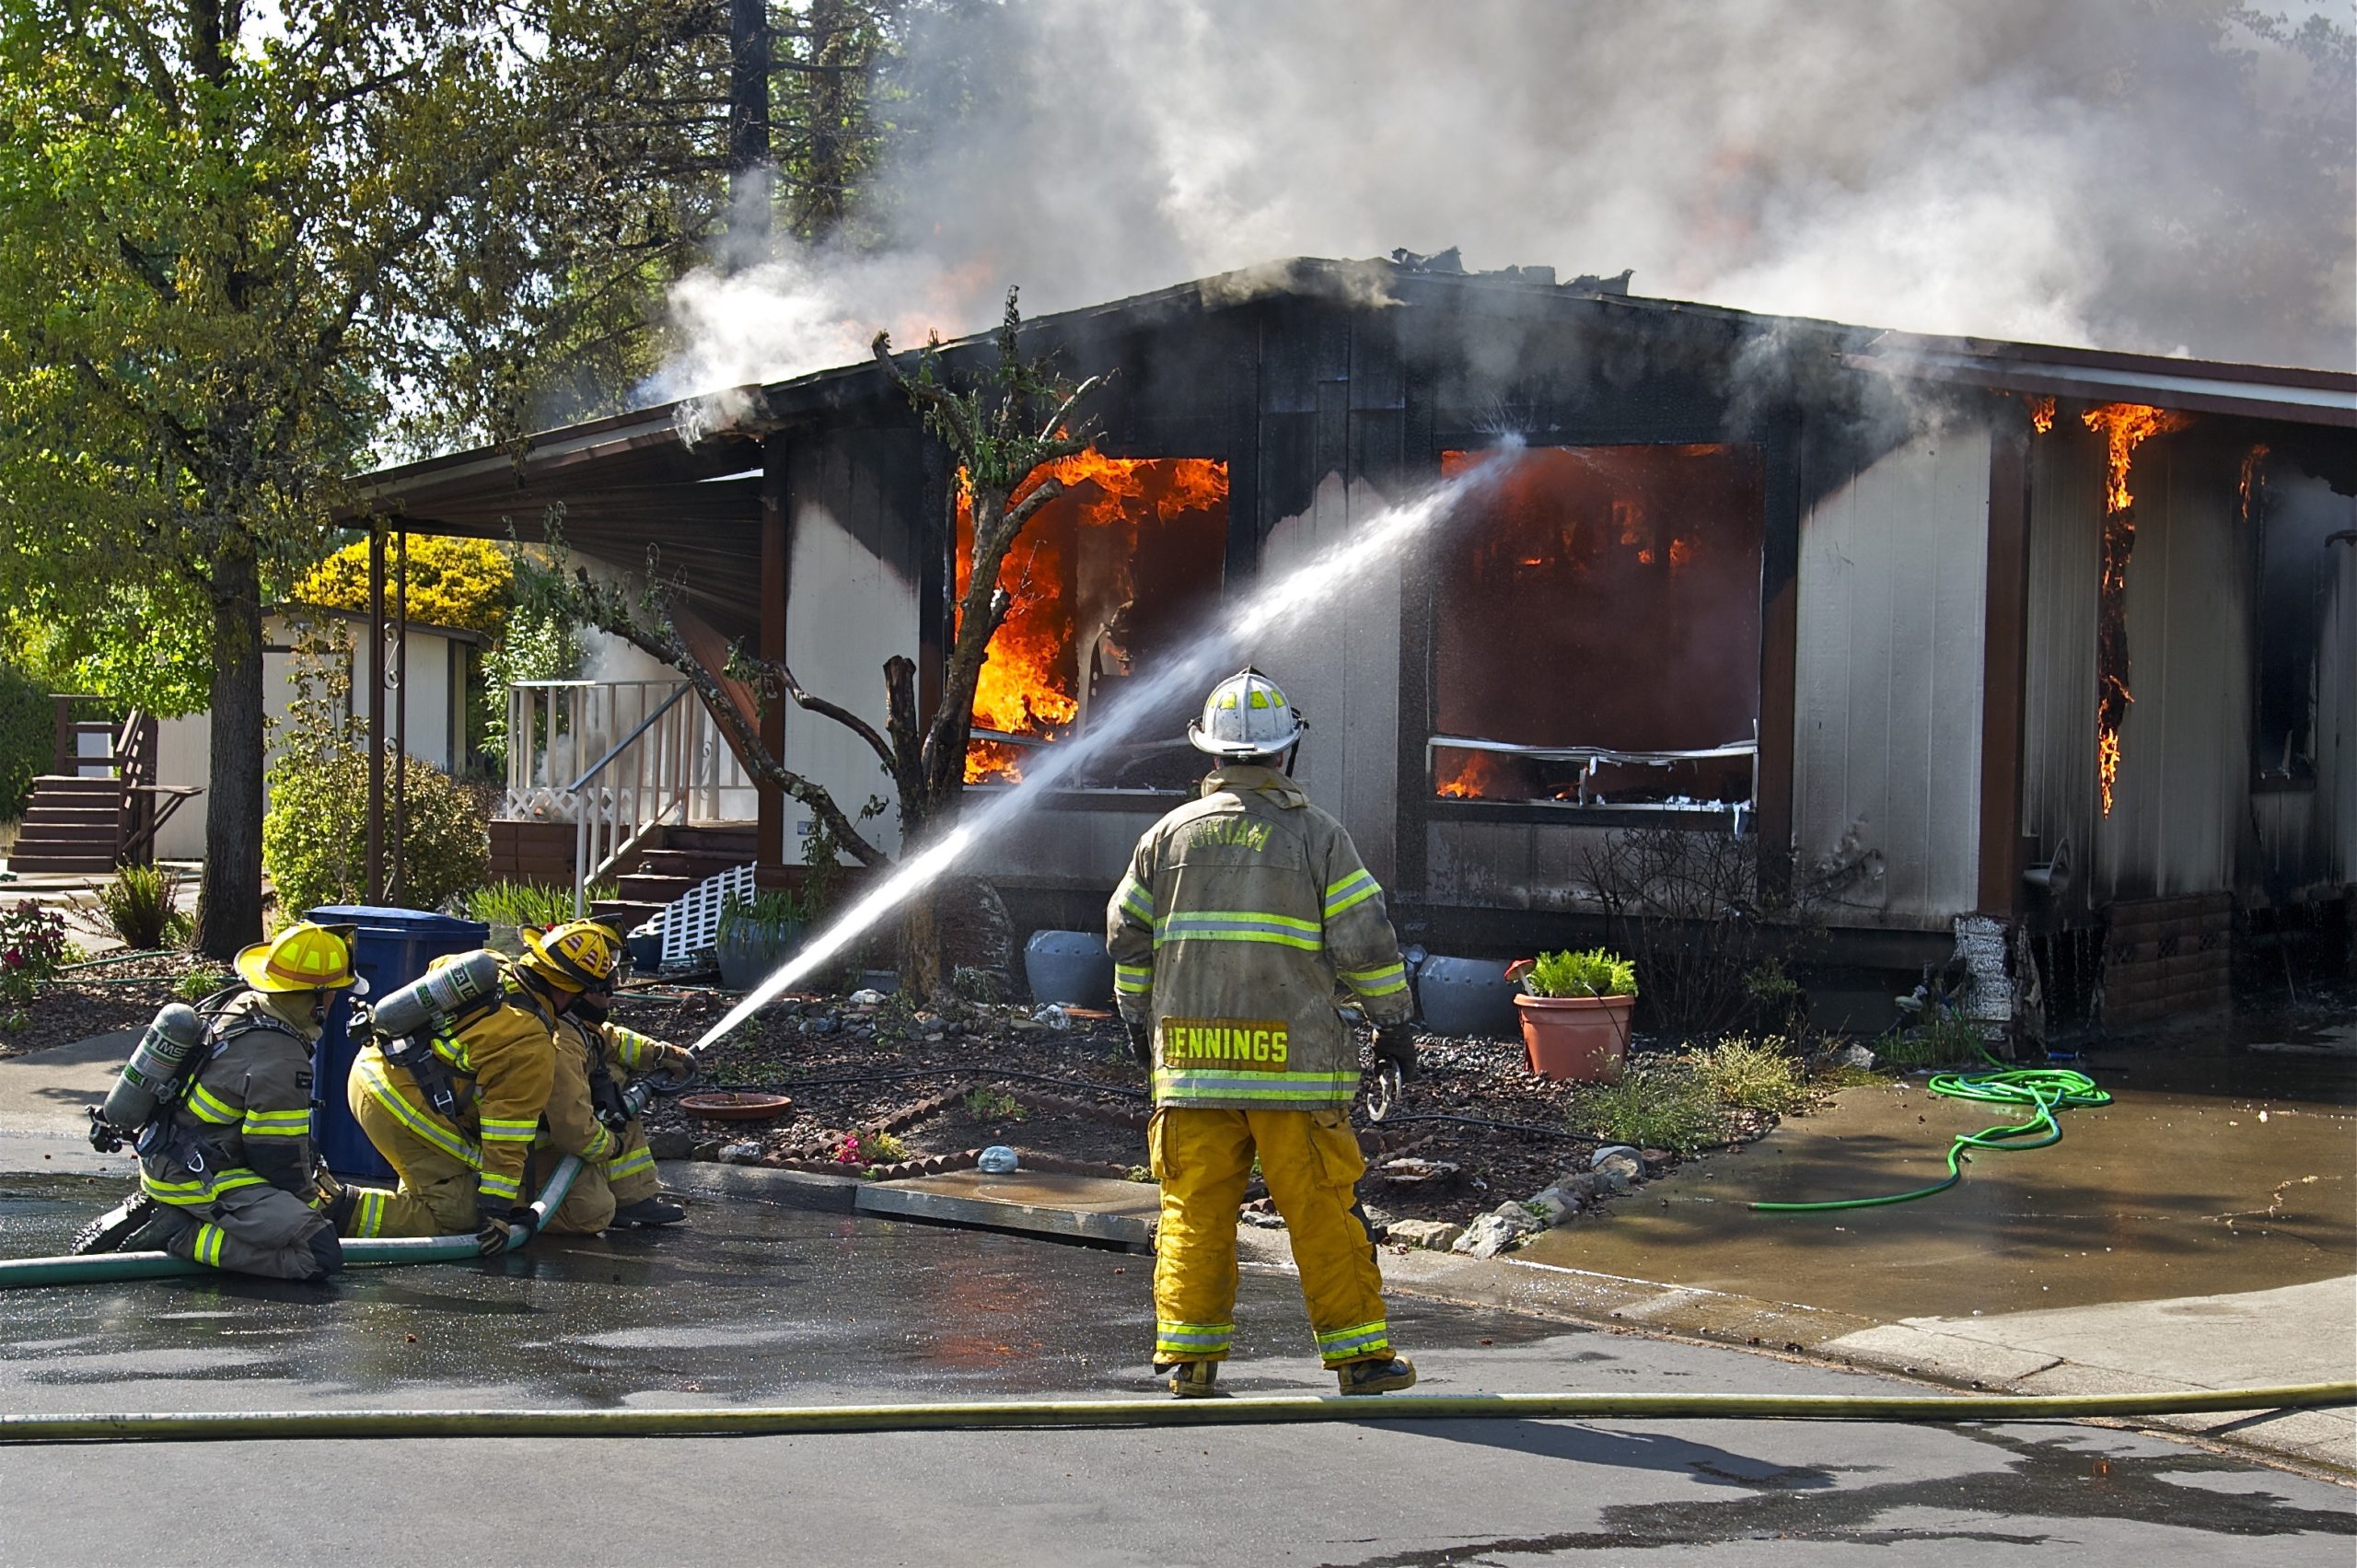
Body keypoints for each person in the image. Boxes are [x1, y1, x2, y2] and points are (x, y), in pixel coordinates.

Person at [1107, 668, 1421, 1399]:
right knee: (1319, 1210)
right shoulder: (1318, 837)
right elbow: (1365, 943)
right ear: (1286, 754)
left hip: (1192, 1069)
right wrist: (1394, 1025)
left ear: (1211, 756)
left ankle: (1189, 1359)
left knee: (1193, 1213)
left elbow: (1126, 937)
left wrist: (1135, 1019)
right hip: (1295, 1074)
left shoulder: (1166, 838)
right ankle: (1361, 1360)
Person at [344, 921, 619, 1251]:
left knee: (441, 1176)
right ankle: (339, 1208)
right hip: (398, 1104)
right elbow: (506, 1133)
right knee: (456, 1216)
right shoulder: (530, 1044)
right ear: (568, 991)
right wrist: (496, 1212)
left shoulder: (490, 965)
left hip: (371, 1066)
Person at [135, 922, 365, 1281]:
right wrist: (309, 1213)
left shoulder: (248, 1004)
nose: (336, 1000)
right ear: (315, 998)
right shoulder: (283, 1059)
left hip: (177, 1155)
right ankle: (183, 1235)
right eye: (334, 992)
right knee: (317, 1251)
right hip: (198, 1177)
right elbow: (277, 1156)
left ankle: (185, 1221)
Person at [530, 979, 695, 1234]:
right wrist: (610, 1145)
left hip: (553, 1140)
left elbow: (612, 1040)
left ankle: (632, 1199)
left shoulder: (573, 1023)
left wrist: (661, 1053)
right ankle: (504, 1210)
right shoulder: (561, 1042)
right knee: (592, 1213)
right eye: (603, 987)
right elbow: (572, 1129)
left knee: (614, 1081)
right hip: (528, 1154)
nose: (610, 995)